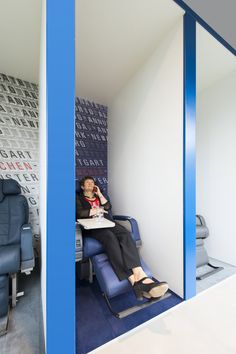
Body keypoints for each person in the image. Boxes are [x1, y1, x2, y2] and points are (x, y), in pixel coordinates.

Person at [76, 176, 168, 300]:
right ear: (82, 187)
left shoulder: (99, 195)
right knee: (110, 238)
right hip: (92, 227)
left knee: (125, 234)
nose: (91, 184)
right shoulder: (78, 197)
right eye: (87, 183)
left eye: (92, 182)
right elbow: (79, 213)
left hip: (106, 222)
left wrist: (99, 194)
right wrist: (97, 210)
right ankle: (133, 280)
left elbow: (108, 207)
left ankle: (140, 274)